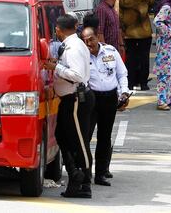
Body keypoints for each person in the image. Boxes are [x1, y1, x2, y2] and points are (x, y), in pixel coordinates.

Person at [41, 14, 94, 199]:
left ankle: (85, 183)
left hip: (76, 99)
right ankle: (74, 174)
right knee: (62, 136)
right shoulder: (71, 45)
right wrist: (57, 66)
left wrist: (55, 68)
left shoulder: (74, 47)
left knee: (79, 142)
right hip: (68, 99)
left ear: (58, 29)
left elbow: (77, 75)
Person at [81, 27, 129, 185]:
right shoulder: (81, 56)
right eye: (86, 41)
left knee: (104, 137)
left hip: (109, 98)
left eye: (91, 39)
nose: (89, 44)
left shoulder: (111, 52)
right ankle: (85, 172)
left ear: (97, 37)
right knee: (85, 136)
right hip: (91, 99)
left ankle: (101, 173)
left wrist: (124, 93)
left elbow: (122, 74)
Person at [119, 0, 154, 90]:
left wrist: (123, 27)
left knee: (131, 57)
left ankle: (130, 82)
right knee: (144, 57)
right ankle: (143, 83)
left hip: (129, 30)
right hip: (144, 30)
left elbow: (121, 11)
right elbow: (151, 5)